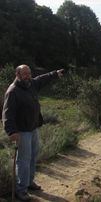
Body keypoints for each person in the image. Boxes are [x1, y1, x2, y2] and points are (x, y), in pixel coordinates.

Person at [2, 65, 64, 201]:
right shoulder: (13, 91)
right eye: (25, 74)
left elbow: (41, 79)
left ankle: (29, 182)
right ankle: (21, 189)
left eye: (29, 73)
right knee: (23, 160)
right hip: (22, 131)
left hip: (33, 128)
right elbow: (7, 114)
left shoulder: (31, 84)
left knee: (33, 156)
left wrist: (54, 73)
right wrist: (11, 131)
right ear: (17, 74)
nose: (28, 76)